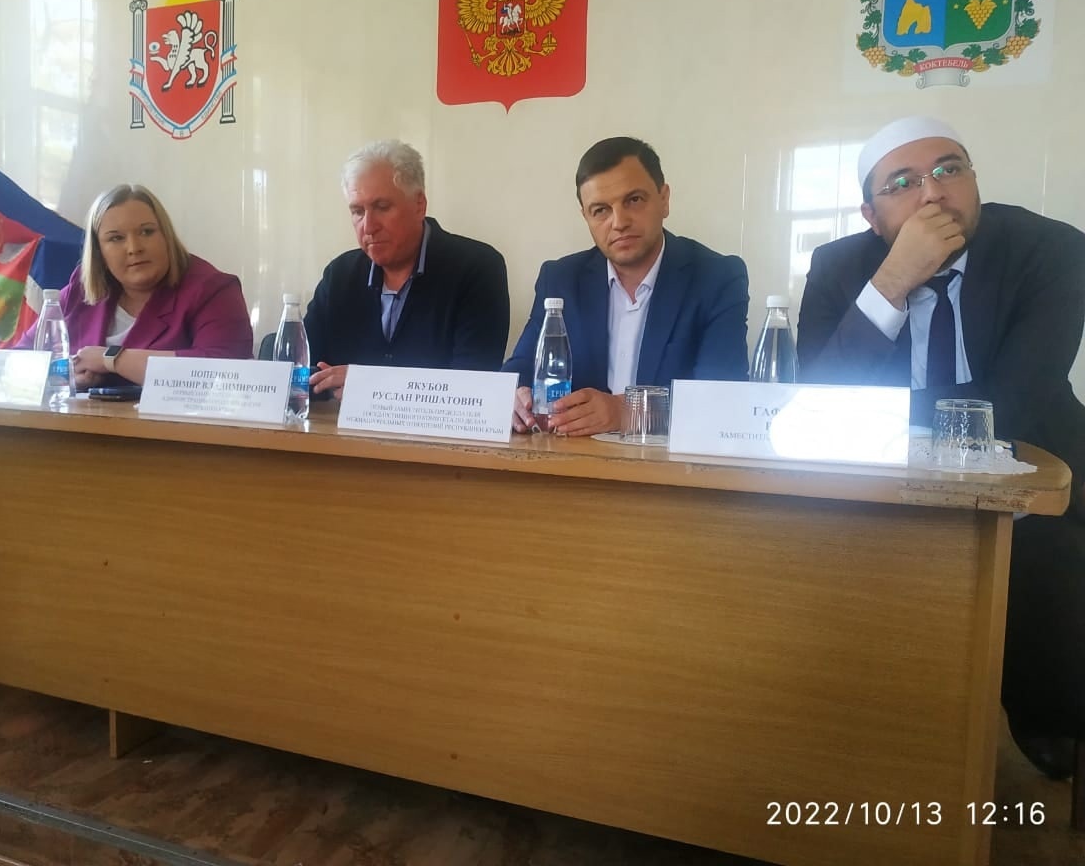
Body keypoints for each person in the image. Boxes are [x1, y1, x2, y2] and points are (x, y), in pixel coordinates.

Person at [796, 115, 1085, 779]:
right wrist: (891, 283)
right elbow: (817, 401)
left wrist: (875, 413)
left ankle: (1048, 713)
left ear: (974, 182)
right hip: (880, 479)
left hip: (1032, 465)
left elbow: (1014, 403)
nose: (933, 192)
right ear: (872, 217)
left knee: (1045, 559)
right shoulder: (840, 268)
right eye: (903, 183)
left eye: (949, 170)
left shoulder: (1051, 249)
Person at [504, 136, 749, 436]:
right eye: (600, 210)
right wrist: (514, 396)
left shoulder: (716, 278)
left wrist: (627, 412)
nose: (619, 222)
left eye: (634, 200)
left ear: (664, 199)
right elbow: (518, 370)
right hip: (572, 457)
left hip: (669, 461)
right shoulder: (561, 279)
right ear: (586, 216)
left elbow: (723, 397)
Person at [304, 140, 509, 398]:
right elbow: (299, 367)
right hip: (335, 424)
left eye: (382, 207)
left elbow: (473, 385)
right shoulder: (340, 274)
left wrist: (370, 386)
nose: (368, 226)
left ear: (419, 205)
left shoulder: (477, 268)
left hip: (436, 427)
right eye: (357, 211)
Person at [17, 184, 253, 387]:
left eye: (146, 232)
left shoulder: (212, 289)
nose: (134, 248)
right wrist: (65, 378)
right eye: (116, 238)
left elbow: (225, 374)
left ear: (166, 237)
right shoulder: (80, 291)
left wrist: (112, 359)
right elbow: (17, 363)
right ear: (99, 252)